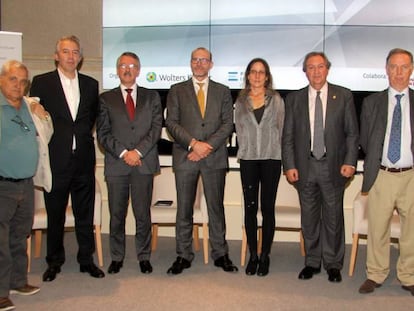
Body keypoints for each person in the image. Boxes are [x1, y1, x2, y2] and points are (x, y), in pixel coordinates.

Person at [30, 35, 105, 282]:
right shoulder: (42, 83)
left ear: (80, 57)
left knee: (85, 212)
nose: (71, 56)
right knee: (56, 213)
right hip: (56, 160)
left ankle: (86, 259)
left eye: (75, 52)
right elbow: (38, 119)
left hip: (83, 159)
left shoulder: (91, 84)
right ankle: (54, 261)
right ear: (56, 56)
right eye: (65, 51)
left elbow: (91, 119)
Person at [282, 51, 359, 283]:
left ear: (328, 68)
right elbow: (288, 137)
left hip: (333, 167)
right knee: (309, 218)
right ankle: (312, 262)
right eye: (311, 67)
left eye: (320, 66)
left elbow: (352, 134)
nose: (316, 71)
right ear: (305, 71)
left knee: (334, 217)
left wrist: (350, 161)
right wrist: (290, 165)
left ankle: (333, 264)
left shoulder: (343, 96)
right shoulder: (294, 99)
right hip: (304, 167)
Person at [165, 47, 237, 274]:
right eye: (195, 60)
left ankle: (220, 253)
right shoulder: (176, 90)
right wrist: (193, 144)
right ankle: (183, 255)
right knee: (184, 209)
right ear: (190, 63)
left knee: (216, 208)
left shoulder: (223, 91)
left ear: (211, 65)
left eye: (203, 60)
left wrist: (206, 147)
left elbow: (227, 124)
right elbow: (172, 123)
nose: (199, 64)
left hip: (214, 157)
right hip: (186, 155)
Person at [97, 52, 162, 274]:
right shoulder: (106, 99)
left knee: (142, 213)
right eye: (123, 65)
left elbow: (155, 129)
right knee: (117, 213)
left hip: (143, 164)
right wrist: (125, 152)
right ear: (117, 70)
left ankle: (144, 256)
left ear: (139, 70)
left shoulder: (152, 97)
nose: (127, 69)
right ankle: (117, 256)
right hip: (117, 165)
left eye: (132, 65)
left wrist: (139, 152)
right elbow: (103, 134)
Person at [358, 48, 414, 295]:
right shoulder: (372, 103)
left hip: (411, 176)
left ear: (411, 70)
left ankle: (409, 275)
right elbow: (365, 139)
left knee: (411, 231)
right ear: (386, 70)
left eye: (404, 67)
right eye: (394, 66)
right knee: (377, 228)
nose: (398, 72)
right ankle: (376, 274)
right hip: (381, 174)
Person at [0, 60, 52, 311]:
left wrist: (44, 114)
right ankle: (0, 292)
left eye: (23, 81)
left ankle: (17, 281)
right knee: (0, 241)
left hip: (26, 184)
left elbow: (45, 136)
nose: (18, 85)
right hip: (3, 185)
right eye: (13, 79)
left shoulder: (29, 107)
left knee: (20, 236)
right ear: (1, 80)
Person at [234, 58, 284, 276]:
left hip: (272, 159)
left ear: (267, 76)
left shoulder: (277, 99)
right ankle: (253, 255)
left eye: (261, 72)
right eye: (253, 72)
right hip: (248, 160)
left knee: (268, 208)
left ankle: (265, 256)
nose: (256, 76)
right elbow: (238, 128)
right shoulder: (241, 100)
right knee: (250, 208)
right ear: (247, 75)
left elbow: (281, 129)